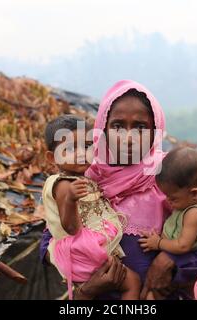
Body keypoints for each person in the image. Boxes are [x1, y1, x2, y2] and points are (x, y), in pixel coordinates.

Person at [40, 80, 197, 300]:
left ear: (156, 131)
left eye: (140, 127)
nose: (128, 138)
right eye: (117, 126)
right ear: (102, 129)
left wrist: (171, 259)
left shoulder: (173, 175)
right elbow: (51, 238)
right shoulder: (84, 178)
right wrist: (88, 287)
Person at [42, 115, 140, 300]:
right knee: (132, 283)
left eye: (87, 146)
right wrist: (70, 200)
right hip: (86, 250)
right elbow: (71, 228)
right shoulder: (64, 185)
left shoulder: (83, 178)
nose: (81, 153)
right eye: (70, 148)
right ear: (50, 157)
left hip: (89, 249)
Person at [138, 147, 197, 299]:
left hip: (180, 259)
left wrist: (158, 243)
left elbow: (183, 245)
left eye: (172, 198)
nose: (168, 201)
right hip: (185, 261)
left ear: (194, 194)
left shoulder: (193, 214)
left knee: (152, 294)